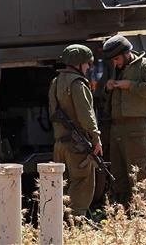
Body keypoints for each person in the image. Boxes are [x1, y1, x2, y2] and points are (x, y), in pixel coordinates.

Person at [100, 34, 146, 206]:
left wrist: (131, 85)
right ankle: (123, 212)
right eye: (113, 60)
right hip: (116, 129)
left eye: (117, 59)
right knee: (118, 175)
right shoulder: (115, 69)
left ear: (127, 53)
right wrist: (107, 88)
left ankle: (142, 213)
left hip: (136, 128)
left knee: (139, 174)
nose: (115, 63)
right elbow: (101, 96)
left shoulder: (145, 65)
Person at [48, 44, 101, 217]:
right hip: (77, 146)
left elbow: (53, 113)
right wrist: (96, 138)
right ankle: (75, 222)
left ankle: (60, 222)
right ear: (78, 64)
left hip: (60, 144)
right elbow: (86, 116)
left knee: (62, 185)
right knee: (82, 183)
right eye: (87, 63)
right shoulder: (77, 83)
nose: (88, 67)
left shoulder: (56, 82)